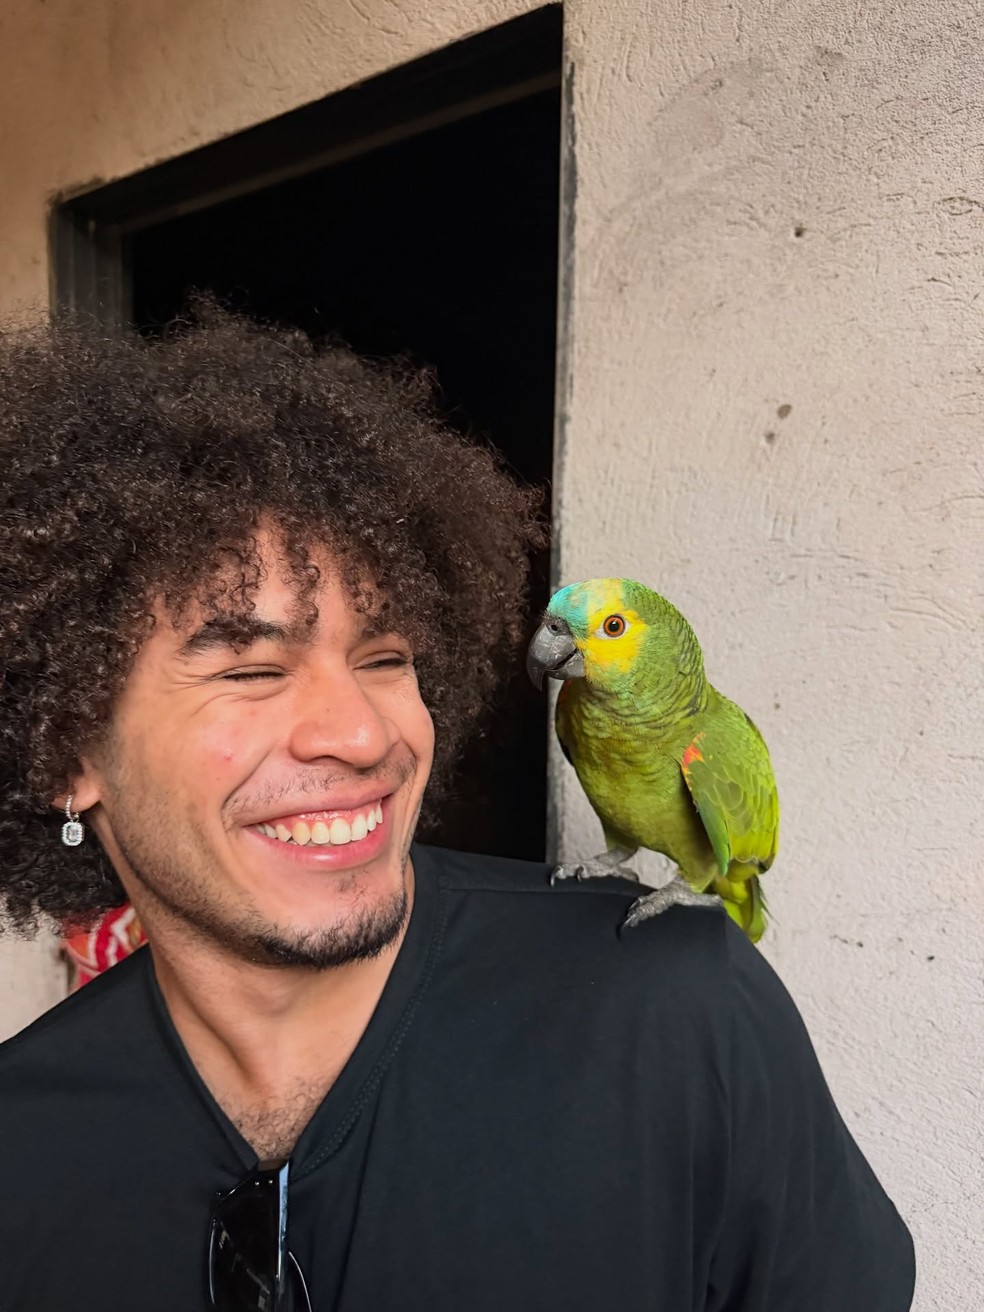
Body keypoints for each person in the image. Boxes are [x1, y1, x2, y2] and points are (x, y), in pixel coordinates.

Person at [0, 305, 915, 1312]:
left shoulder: (681, 1016)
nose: (362, 735)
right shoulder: (23, 1146)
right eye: (253, 670)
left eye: (386, 658)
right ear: (65, 752)